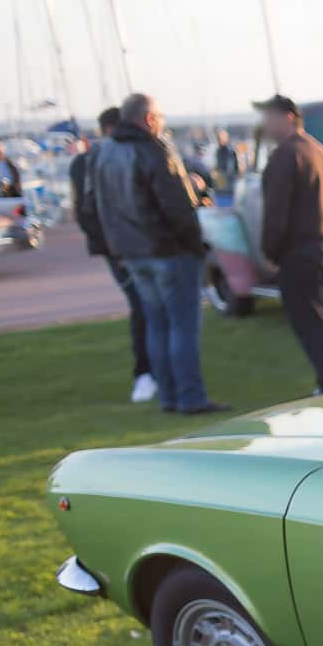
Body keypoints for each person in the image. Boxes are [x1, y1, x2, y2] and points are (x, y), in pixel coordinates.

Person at [80, 92, 225, 415]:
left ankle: (170, 396)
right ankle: (189, 396)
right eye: (159, 118)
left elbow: (93, 205)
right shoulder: (153, 151)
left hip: (133, 252)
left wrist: (114, 247)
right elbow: (176, 206)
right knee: (180, 326)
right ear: (149, 119)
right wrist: (195, 244)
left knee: (157, 324)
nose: (161, 124)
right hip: (167, 250)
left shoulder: (103, 153)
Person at [255, 93, 323, 394]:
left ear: (288, 118)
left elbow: (276, 211)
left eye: (269, 118)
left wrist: (269, 253)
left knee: (312, 322)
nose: (265, 125)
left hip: (300, 251)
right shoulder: (321, 152)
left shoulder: (286, 156)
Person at [73, 107, 157, 404]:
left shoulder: (131, 155)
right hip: (122, 249)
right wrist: (115, 249)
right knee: (142, 305)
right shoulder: (90, 161)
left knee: (154, 308)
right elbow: (88, 211)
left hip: (143, 246)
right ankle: (144, 373)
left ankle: (159, 371)